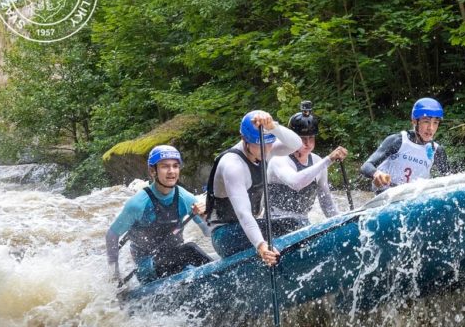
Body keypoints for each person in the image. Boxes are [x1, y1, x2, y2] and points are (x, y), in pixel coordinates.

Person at [205, 110, 302, 264]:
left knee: (297, 222)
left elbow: (296, 144)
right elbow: (243, 213)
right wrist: (261, 246)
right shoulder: (232, 165)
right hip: (224, 236)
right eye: (260, 145)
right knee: (294, 225)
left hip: (250, 227)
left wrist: (273, 126)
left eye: (269, 143)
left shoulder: (265, 147)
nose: (267, 149)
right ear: (245, 140)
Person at [106, 145, 212, 284]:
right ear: (152, 171)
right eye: (165, 166)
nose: (171, 171)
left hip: (175, 257)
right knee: (190, 250)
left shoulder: (185, 198)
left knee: (188, 254)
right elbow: (112, 235)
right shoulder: (138, 204)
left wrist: (206, 217)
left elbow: (208, 232)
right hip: (146, 266)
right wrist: (115, 274)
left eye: (175, 166)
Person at [266, 101, 349, 236]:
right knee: (298, 224)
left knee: (302, 224)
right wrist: (328, 159)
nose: (307, 143)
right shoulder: (278, 159)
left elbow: (327, 205)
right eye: (302, 138)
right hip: (275, 225)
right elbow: (296, 182)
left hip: (302, 225)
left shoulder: (317, 161)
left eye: (311, 138)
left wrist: (342, 225)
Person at [360, 97, 450, 193]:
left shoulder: (436, 150)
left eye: (435, 123)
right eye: (426, 121)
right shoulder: (397, 141)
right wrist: (376, 174)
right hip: (386, 195)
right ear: (415, 121)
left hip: (413, 198)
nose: (431, 128)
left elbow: (449, 180)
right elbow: (366, 166)